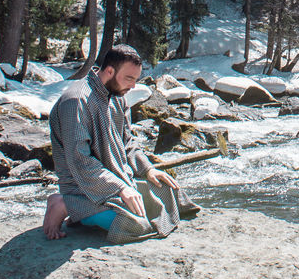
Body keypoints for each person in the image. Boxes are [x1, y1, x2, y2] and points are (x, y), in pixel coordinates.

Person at [42, 45, 199, 242]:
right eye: (129, 78)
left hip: (117, 181)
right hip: (83, 189)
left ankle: (84, 213)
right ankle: (65, 204)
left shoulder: (117, 96)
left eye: (136, 79)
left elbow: (128, 143)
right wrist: (120, 188)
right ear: (109, 71)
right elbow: (81, 162)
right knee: (135, 225)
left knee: (170, 193)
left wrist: (148, 170)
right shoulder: (75, 102)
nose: (133, 86)